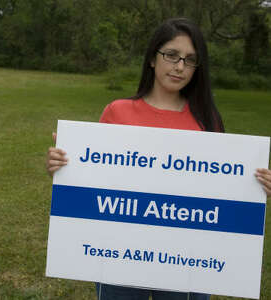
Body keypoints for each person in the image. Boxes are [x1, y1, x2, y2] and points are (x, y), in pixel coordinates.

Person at [46, 18, 271, 300]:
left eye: (190, 60)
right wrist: (62, 166)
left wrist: (255, 187)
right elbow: (94, 179)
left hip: (189, 261)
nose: (180, 66)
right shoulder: (117, 112)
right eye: (171, 55)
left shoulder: (207, 120)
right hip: (120, 256)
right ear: (153, 58)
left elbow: (221, 191)